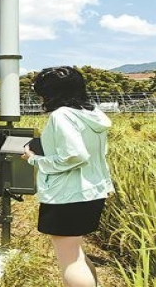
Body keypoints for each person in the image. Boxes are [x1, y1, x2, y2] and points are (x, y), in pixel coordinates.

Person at [21, 66, 113, 287]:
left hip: (67, 194)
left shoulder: (62, 115)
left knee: (70, 259)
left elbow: (75, 155)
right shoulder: (93, 114)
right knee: (75, 251)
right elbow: (93, 153)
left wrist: (34, 159)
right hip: (92, 191)